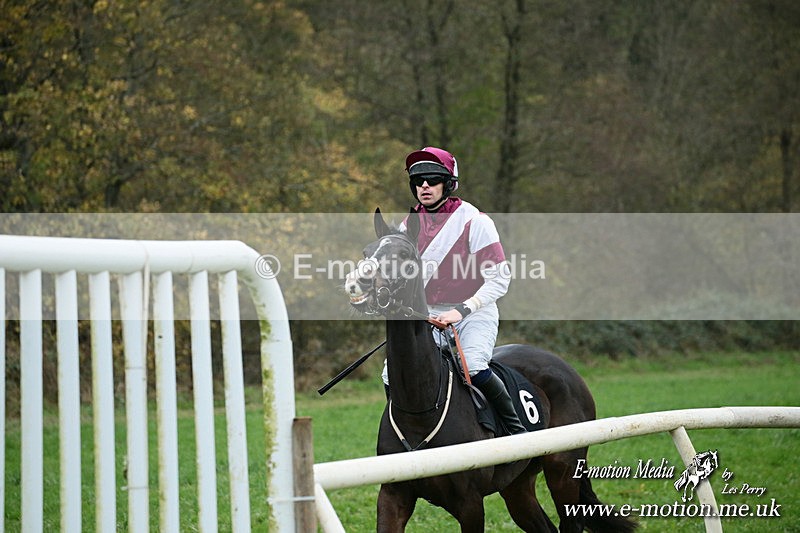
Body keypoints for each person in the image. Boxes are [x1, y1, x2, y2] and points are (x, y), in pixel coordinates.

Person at [382, 146, 526, 435]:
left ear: (448, 183)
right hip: (427, 315)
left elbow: (500, 279)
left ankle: (515, 432)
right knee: (390, 372)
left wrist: (460, 310)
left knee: (472, 365)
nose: (424, 185)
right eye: (418, 180)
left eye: (432, 179)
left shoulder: (476, 221)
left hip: (472, 312)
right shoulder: (406, 226)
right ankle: (406, 433)